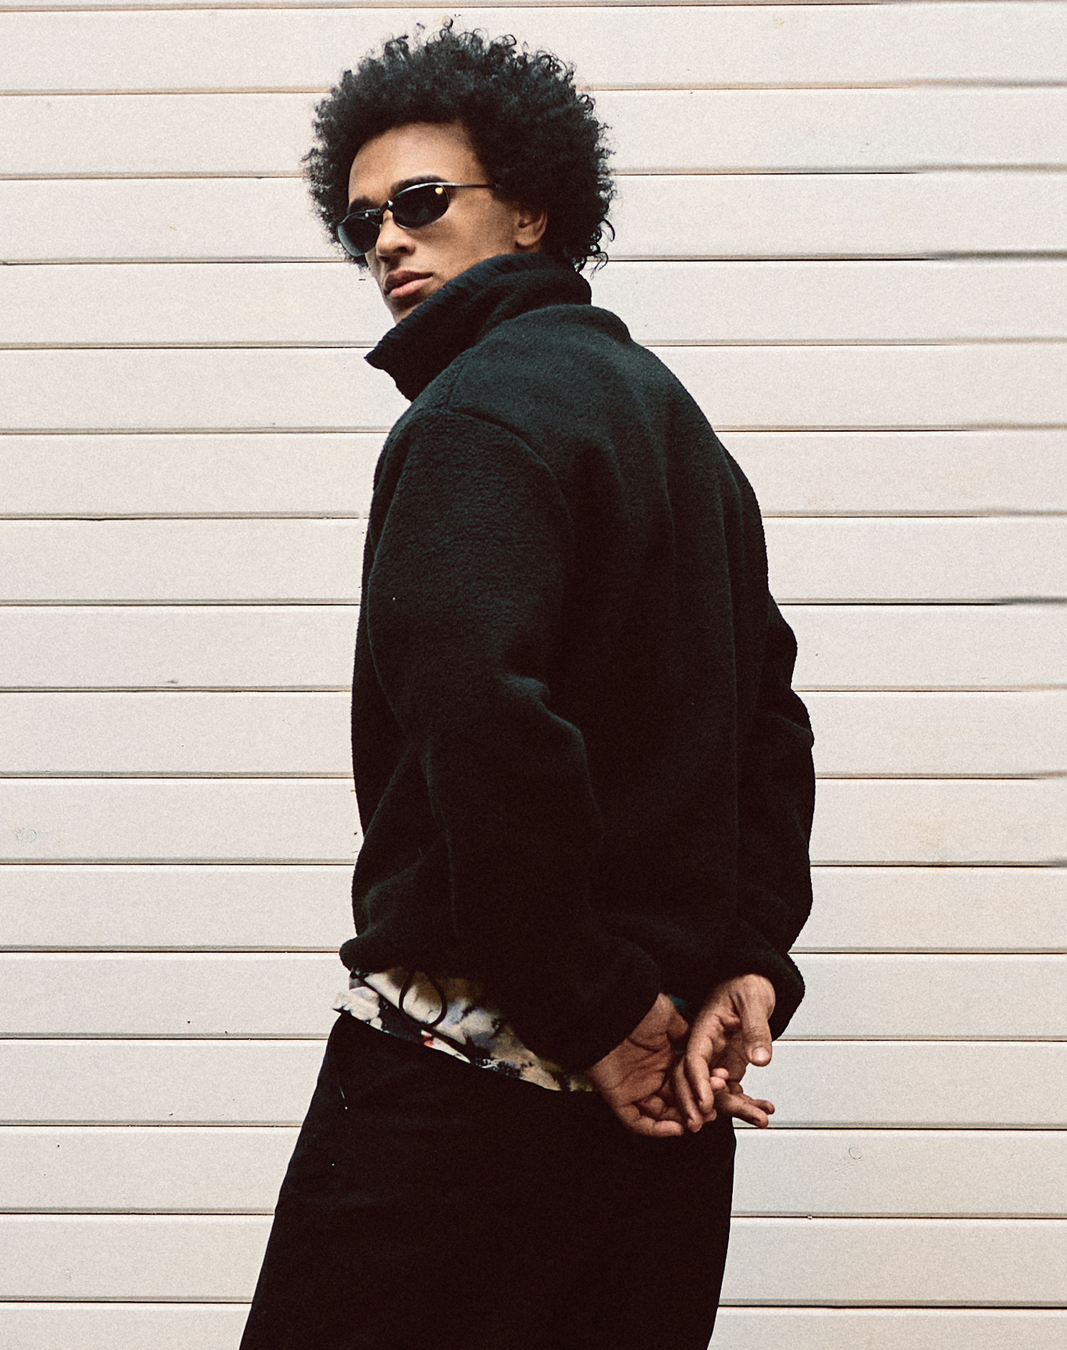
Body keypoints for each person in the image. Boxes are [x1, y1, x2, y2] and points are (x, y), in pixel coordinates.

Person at [240, 24, 814, 1350]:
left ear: (537, 208)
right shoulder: (678, 430)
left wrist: (598, 1006)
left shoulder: (475, 419)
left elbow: (484, 725)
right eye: (363, 220)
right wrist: (750, 959)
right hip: (660, 1107)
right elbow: (770, 726)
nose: (387, 240)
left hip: (466, 1100)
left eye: (422, 200)